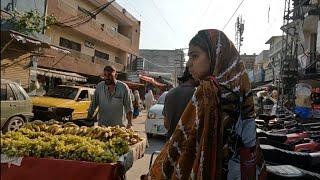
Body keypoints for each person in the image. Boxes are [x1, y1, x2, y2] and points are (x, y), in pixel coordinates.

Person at [143, 29, 266, 179]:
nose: (188, 64)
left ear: (216, 55)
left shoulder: (208, 92)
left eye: (194, 56)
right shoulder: (240, 90)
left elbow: (183, 145)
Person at [163, 67, 197, 140]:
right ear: (193, 76)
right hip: (187, 143)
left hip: (170, 140)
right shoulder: (197, 94)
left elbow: (166, 124)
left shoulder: (170, 93)